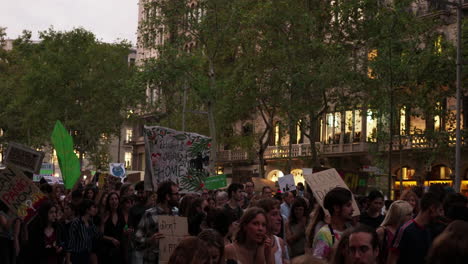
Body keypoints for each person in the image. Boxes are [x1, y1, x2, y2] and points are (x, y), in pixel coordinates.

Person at [387, 192, 444, 264]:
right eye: (440, 210)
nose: (441, 214)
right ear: (432, 208)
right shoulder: (405, 230)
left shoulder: (430, 229)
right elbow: (392, 259)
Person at [133, 181, 179, 264]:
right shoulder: (149, 214)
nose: (178, 196)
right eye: (176, 194)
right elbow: (136, 241)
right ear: (168, 196)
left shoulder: (176, 213)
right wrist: (150, 240)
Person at [312, 187, 354, 261]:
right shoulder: (324, 234)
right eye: (348, 205)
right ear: (337, 208)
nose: (352, 209)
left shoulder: (351, 230)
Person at [66, 199, 102, 264]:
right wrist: (68, 260)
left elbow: (98, 235)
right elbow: (70, 241)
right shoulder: (76, 222)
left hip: (86, 255)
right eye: (93, 207)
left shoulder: (90, 222)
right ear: (87, 209)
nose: (95, 209)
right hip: (76, 256)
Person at [256, 198, 290, 264]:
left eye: (279, 214)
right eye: (274, 214)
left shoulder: (280, 242)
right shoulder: (252, 243)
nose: (280, 218)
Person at [99, 192, 125, 264]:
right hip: (106, 250)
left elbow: (124, 226)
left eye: (116, 199)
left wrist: (127, 230)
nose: (114, 201)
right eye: (112, 199)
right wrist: (103, 222)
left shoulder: (120, 214)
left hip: (119, 249)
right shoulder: (104, 214)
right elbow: (100, 234)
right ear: (108, 202)